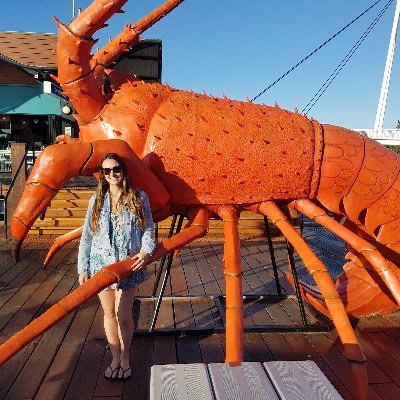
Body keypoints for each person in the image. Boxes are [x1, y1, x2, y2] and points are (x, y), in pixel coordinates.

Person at [77, 153, 156, 381]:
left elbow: (148, 229)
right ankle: (114, 357)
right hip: (101, 264)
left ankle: (125, 357)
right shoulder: (97, 200)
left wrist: (145, 251)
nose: (112, 175)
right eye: (106, 171)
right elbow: (87, 236)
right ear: (102, 174)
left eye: (116, 169)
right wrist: (83, 267)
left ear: (124, 170)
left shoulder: (139, 197)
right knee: (109, 312)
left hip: (128, 264)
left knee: (124, 314)